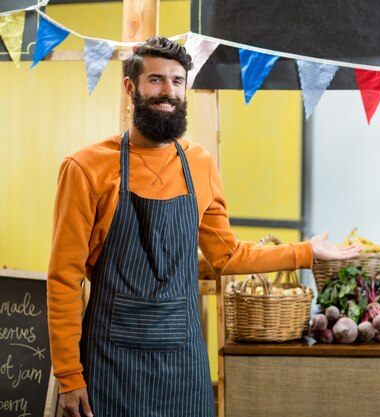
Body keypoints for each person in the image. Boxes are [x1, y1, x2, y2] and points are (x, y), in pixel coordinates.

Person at [47, 36, 361, 417]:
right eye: (156, 80)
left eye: (177, 81)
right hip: (110, 359)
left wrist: (306, 252)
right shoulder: (85, 168)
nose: (168, 92)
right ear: (131, 87)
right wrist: (69, 374)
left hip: (184, 361)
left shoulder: (199, 163)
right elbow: (64, 278)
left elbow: (226, 256)